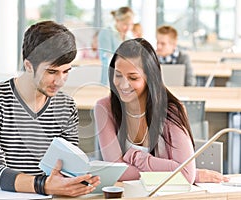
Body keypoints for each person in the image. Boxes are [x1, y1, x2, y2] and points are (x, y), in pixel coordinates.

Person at [0, 21, 100, 197]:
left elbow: (67, 166)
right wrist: (43, 185)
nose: (60, 81)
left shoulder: (66, 106)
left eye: (66, 71)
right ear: (29, 66)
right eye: (52, 72)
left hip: (42, 195)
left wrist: (77, 180)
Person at [94, 38, 229, 184]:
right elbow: (117, 172)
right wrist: (180, 173)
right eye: (118, 75)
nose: (123, 84)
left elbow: (184, 174)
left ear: (150, 77)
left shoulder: (171, 110)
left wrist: (137, 158)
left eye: (133, 77)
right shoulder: (104, 108)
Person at [98, 6, 134, 85]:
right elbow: (107, 57)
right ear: (117, 21)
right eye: (125, 24)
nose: (128, 28)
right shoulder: (106, 32)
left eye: (130, 24)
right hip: (110, 74)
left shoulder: (129, 35)